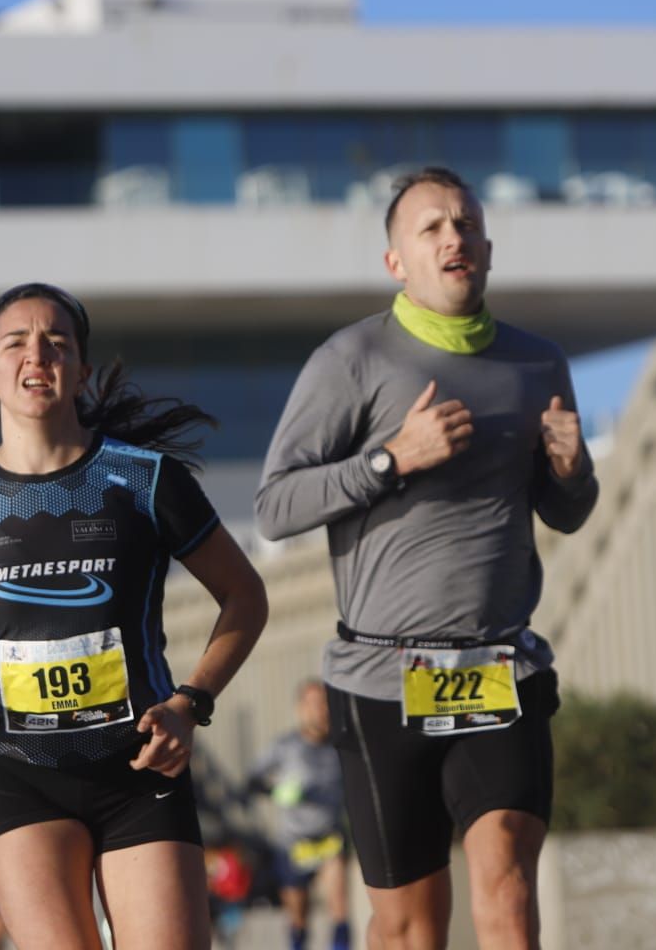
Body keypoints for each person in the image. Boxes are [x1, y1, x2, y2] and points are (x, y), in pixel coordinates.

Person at [256, 166, 599, 949]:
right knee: (410, 926)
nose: (454, 238)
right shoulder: (352, 359)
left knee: (508, 877)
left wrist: (574, 472)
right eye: (432, 228)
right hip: (380, 681)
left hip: (500, 667)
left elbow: (566, 514)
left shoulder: (537, 363)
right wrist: (391, 460)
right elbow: (275, 508)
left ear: (487, 246)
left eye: (466, 225)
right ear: (396, 262)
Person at [0, 282, 268, 950]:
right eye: (16, 343)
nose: (38, 355)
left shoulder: (144, 482)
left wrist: (189, 702)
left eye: (58, 343)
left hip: (140, 769)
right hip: (17, 776)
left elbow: (245, 597)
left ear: (80, 371)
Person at [246, 679, 350, 950]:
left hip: (329, 839)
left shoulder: (341, 747)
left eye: (326, 703)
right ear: (301, 708)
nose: (322, 711)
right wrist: (278, 792)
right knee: (299, 919)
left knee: (340, 907)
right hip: (293, 844)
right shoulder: (284, 746)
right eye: (315, 703)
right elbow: (252, 782)